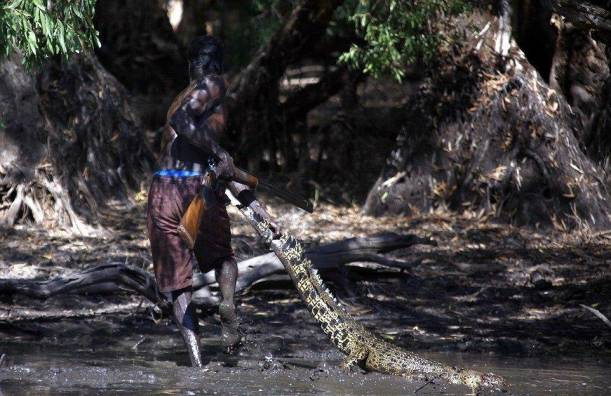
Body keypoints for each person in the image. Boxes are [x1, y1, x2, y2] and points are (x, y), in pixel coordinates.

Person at [146, 36, 276, 367]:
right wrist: (220, 152)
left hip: (163, 190)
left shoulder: (180, 98)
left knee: (178, 287)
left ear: (191, 64)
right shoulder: (213, 83)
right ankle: (227, 303)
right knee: (223, 259)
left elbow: (220, 167)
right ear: (218, 67)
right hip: (195, 188)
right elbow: (190, 132)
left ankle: (198, 364)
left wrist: (256, 206)